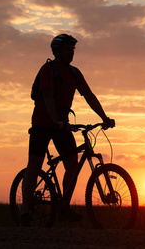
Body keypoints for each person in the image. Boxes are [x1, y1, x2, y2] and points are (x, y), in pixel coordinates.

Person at [21, 34, 115, 226]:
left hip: (62, 124)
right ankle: (24, 209)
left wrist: (104, 118)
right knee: (34, 165)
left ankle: (64, 206)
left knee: (72, 163)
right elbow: (46, 96)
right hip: (42, 123)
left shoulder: (74, 73)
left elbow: (88, 95)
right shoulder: (48, 69)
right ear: (56, 52)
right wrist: (56, 120)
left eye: (72, 50)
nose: (70, 54)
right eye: (66, 50)